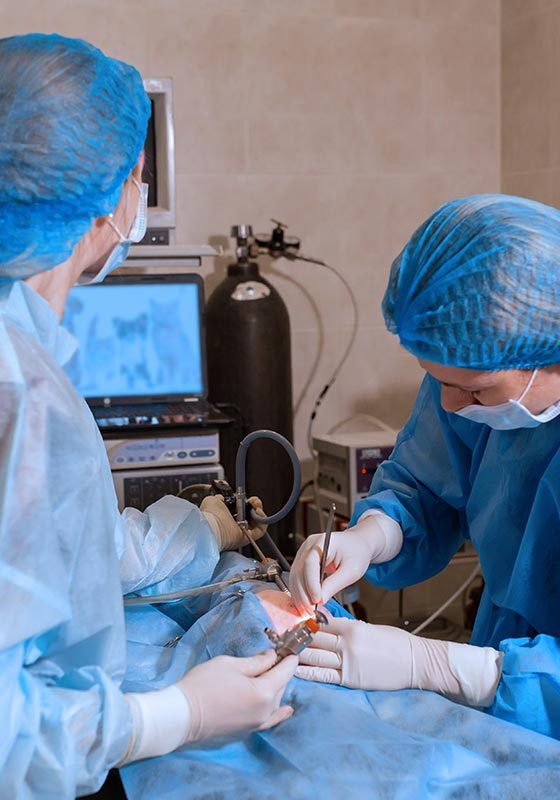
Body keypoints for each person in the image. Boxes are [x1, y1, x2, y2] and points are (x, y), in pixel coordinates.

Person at [0, 33, 296, 799]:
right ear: (112, 195)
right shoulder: (24, 397)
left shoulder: (23, 344)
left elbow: (60, 543)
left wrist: (204, 531)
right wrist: (178, 716)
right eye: (138, 174)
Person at [290, 194, 560, 740]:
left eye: (474, 389)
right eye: (438, 381)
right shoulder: (469, 370)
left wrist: (439, 666)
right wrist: (373, 535)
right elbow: (426, 486)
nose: (451, 405)